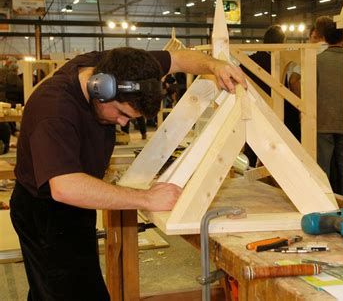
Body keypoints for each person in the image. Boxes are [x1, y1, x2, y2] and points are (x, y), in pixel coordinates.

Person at [9, 47, 246, 300]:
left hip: (76, 201)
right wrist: (146, 198)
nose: (124, 124)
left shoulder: (120, 68)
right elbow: (65, 186)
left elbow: (177, 58)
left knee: (52, 291)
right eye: (122, 113)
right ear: (99, 88)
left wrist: (214, 65)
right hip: (45, 212)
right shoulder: (54, 109)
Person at [240, 25, 298, 165]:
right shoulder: (280, 62)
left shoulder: (249, 61)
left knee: (254, 149)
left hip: (253, 111)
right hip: (277, 114)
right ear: (282, 42)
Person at [316, 18, 343, 196]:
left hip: (322, 118)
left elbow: (301, 83)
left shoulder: (318, 60)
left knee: (323, 165)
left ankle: (324, 198)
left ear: (324, 38)